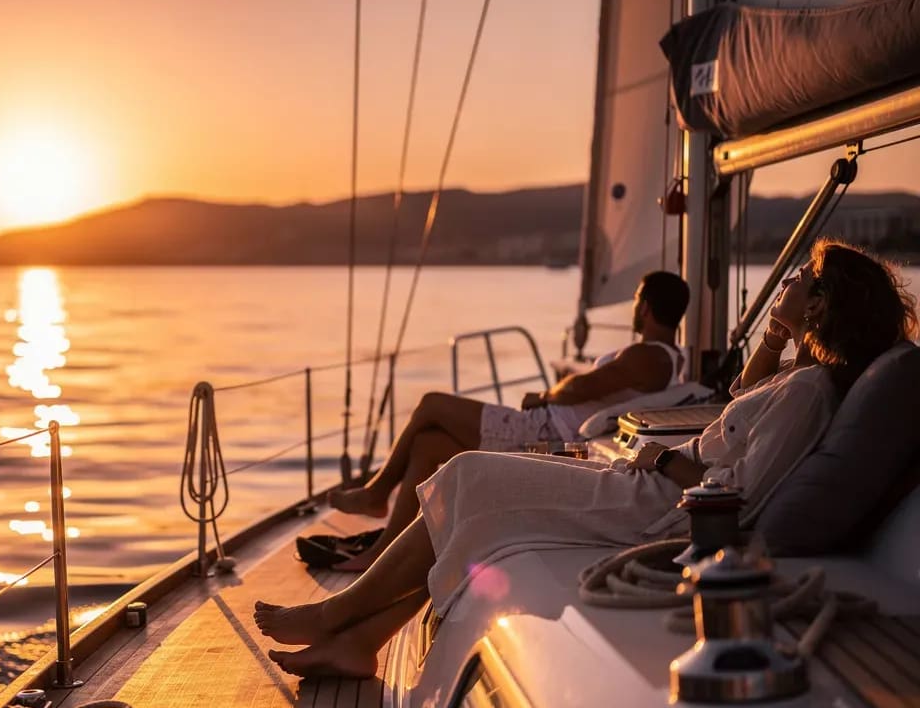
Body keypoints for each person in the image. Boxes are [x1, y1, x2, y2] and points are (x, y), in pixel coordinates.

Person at [256, 241, 916, 678]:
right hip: (650, 491)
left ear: (824, 305)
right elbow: (745, 400)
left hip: (658, 510)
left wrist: (656, 460)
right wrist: (777, 336)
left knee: (463, 474)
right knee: (485, 516)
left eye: (798, 280)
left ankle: (335, 615)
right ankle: (359, 643)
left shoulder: (808, 392)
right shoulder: (799, 379)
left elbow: (733, 498)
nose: (786, 281)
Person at [325, 270, 690, 571]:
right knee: (428, 444)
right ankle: (383, 550)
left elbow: (580, 387)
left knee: (431, 404)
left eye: (638, 298)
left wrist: (544, 395)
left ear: (645, 307)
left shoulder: (648, 357)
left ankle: (376, 492)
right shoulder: (667, 359)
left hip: (545, 433)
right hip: (552, 430)